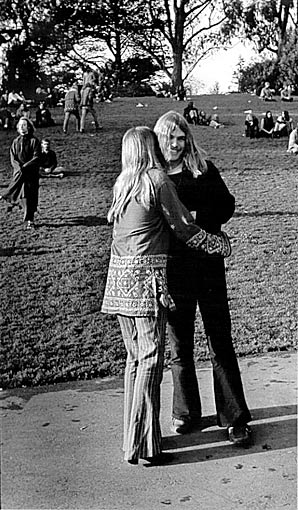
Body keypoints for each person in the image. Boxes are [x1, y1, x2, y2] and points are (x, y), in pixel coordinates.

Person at [101, 126, 231, 465]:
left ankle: (138, 439)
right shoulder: (157, 181)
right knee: (150, 359)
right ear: (149, 148)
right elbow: (184, 226)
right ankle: (141, 446)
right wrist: (217, 243)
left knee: (134, 360)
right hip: (145, 280)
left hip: (118, 279)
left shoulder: (123, 183)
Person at [154, 111, 252, 446]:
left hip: (207, 265)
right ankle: (185, 412)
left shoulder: (204, 169)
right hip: (174, 269)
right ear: (160, 139)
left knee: (219, 339)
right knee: (179, 344)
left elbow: (227, 205)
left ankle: (234, 417)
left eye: (181, 138)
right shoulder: (154, 176)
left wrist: (197, 220)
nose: (177, 144)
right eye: (170, 139)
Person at [0, 117, 41, 229]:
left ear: (28, 127)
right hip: (19, 173)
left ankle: (30, 219)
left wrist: (25, 167)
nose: (22, 128)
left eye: (24, 125)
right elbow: (13, 158)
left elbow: (36, 157)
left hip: (31, 173)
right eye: (20, 125)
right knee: (23, 196)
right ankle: (26, 216)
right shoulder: (15, 142)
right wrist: (19, 168)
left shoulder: (34, 141)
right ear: (17, 128)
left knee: (31, 195)